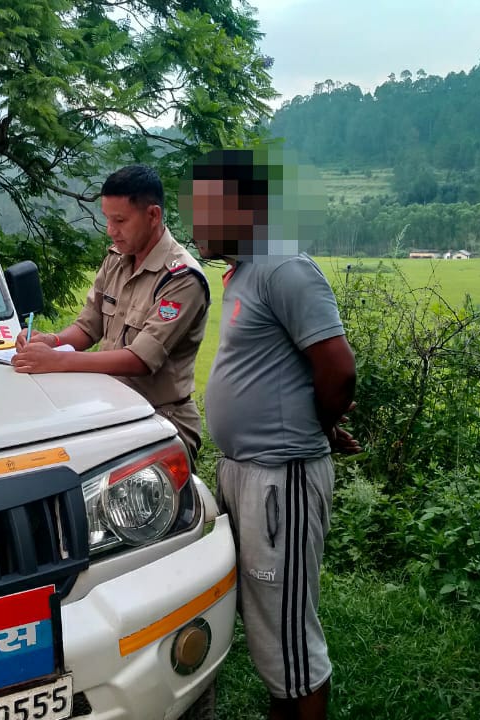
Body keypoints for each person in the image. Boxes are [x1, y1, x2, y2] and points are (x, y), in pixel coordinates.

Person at [189, 149, 360, 720]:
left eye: (207, 208)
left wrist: (319, 427)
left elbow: (338, 368)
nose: (196, 222)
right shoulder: (246, 271)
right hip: (247, 472)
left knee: (289, 642)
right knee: (268, 627)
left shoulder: (284, 266)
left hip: (279, 480)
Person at [12, 165, 210, 462]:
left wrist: (58, 360)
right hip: (110, 407)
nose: (111, 230)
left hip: (160, 418)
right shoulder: (117, 259)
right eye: (107, 219)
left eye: (120, 220)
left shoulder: (181, 278)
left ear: (153, 215)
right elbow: (88, 326)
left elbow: (140, 359)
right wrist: (52, 341)